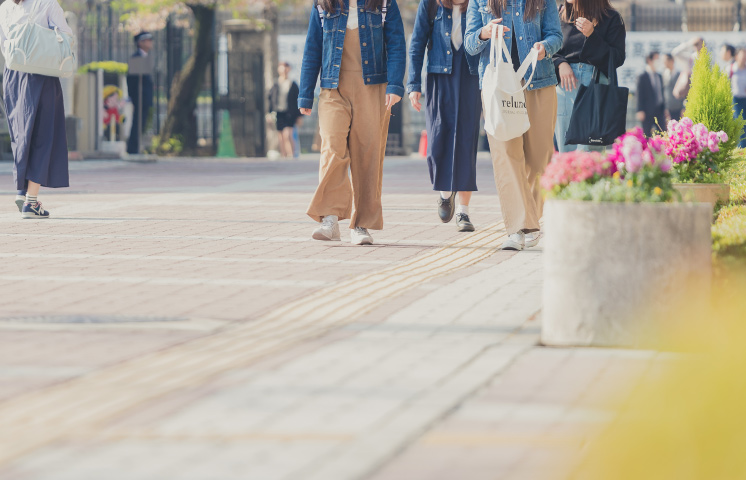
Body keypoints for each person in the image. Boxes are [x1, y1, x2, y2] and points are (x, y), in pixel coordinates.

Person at [299, 0, 406, 246]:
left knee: (367, 153)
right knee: (332, 147)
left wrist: (395, 85)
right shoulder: (323, 5)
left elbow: (397, 43)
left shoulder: (384, 3)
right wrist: (305, 92)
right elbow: (312, 47)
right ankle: (330, 218)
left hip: (372, 86)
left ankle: (361, 224)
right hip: (332, 87)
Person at [465, 0, 563, 251]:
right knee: (507, 156)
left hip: (539, 81)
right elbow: (469, 43)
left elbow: (556, 35)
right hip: (499, 87)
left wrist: (545, 47)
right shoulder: (480, 1)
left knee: (540, 159)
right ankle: (521, 227)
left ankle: (528, 220)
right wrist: (484, 33)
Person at [408, 0, 481, 232]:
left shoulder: (479, 4)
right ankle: (445, 193)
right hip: (440, 75)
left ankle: (463, 211)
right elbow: (417, 42)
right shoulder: (430, 5)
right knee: (438, 139)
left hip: (470, 75)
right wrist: (413, 85)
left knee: (466, 140)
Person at [0, 0, 72, 219]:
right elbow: (66, 36)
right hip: (41, 72)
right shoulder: (47, 3)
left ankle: (22, 191)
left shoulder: (4, 7)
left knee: (21, 135)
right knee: (44, 135)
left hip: (13, 75)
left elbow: (5, 44)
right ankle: (31, 202)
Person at [552, 0, 625, 153]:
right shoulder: (560, 14)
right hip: (565, 86)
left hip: (595, 85)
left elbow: (617, 58)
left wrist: (592, 35)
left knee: (590, 152)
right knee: (565, 151)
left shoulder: (611, 17)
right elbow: (549, 48)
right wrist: (560, 63)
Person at [126, 31, 155, 155]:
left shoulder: (145, 57)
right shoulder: (137, 57)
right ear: (140, 42)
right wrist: (134, 97)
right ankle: (133, 148)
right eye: (147, 40)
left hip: (145, 97)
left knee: (141, 123)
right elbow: (133, 81)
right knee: (137, 123)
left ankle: (136, 147)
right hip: (139, 97)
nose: (150, 42)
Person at [268, 62, 302, 158]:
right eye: (282, 68)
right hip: (279, 112)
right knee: (281, 136)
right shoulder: (275, 84)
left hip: (290, 113)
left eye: (286, 68)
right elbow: (270, 99)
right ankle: (284, 156)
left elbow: (297, 100)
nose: (284, 70)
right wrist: (269, 113)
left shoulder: (293, 84)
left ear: (289, 69)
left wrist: (299, 116)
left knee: (288, 134)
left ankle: (292, 155)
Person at [636, 51, 666, 136]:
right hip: (647, 111)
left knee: (662, 133)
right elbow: (639, 94)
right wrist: (640, 110)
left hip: (659, 111)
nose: (658, 62)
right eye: (656, 59)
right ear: (649, 60)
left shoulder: (659, 76)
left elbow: (662, 94)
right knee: (646, 135)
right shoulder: (642, 76)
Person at [730, 48, 746, 148]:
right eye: (742, 56)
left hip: (745, 99)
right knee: (740, 123)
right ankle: (741, 148)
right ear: (736, 57)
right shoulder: (731, 69)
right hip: (736, 100)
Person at [663, 53, 684, 122]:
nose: (664, 63)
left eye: (665, 60)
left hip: (679, 108)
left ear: (671, 61)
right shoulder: (663, 75)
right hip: (668, 109)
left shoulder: (680, 74)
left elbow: (684, 92)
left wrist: (683, 108)